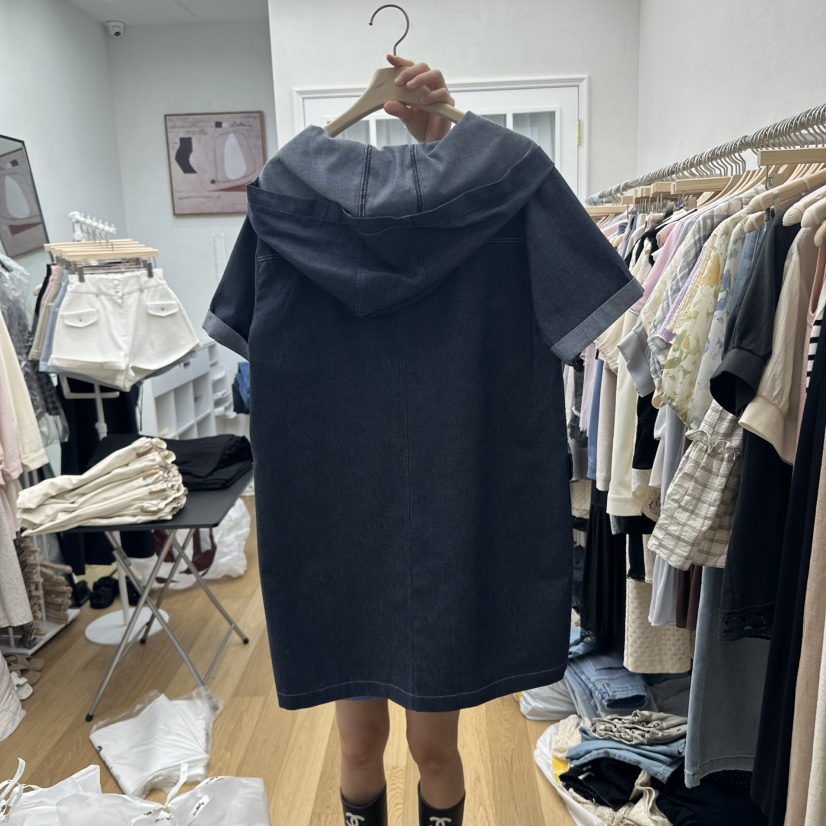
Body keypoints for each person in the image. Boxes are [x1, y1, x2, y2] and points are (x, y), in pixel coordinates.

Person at [335, 55, 466, 826]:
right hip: (349, 520)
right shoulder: (303, 234)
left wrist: (446, 135)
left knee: (434, 747)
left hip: (441, 517)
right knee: (359, 743)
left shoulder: (468, 243)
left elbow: (509, 199)